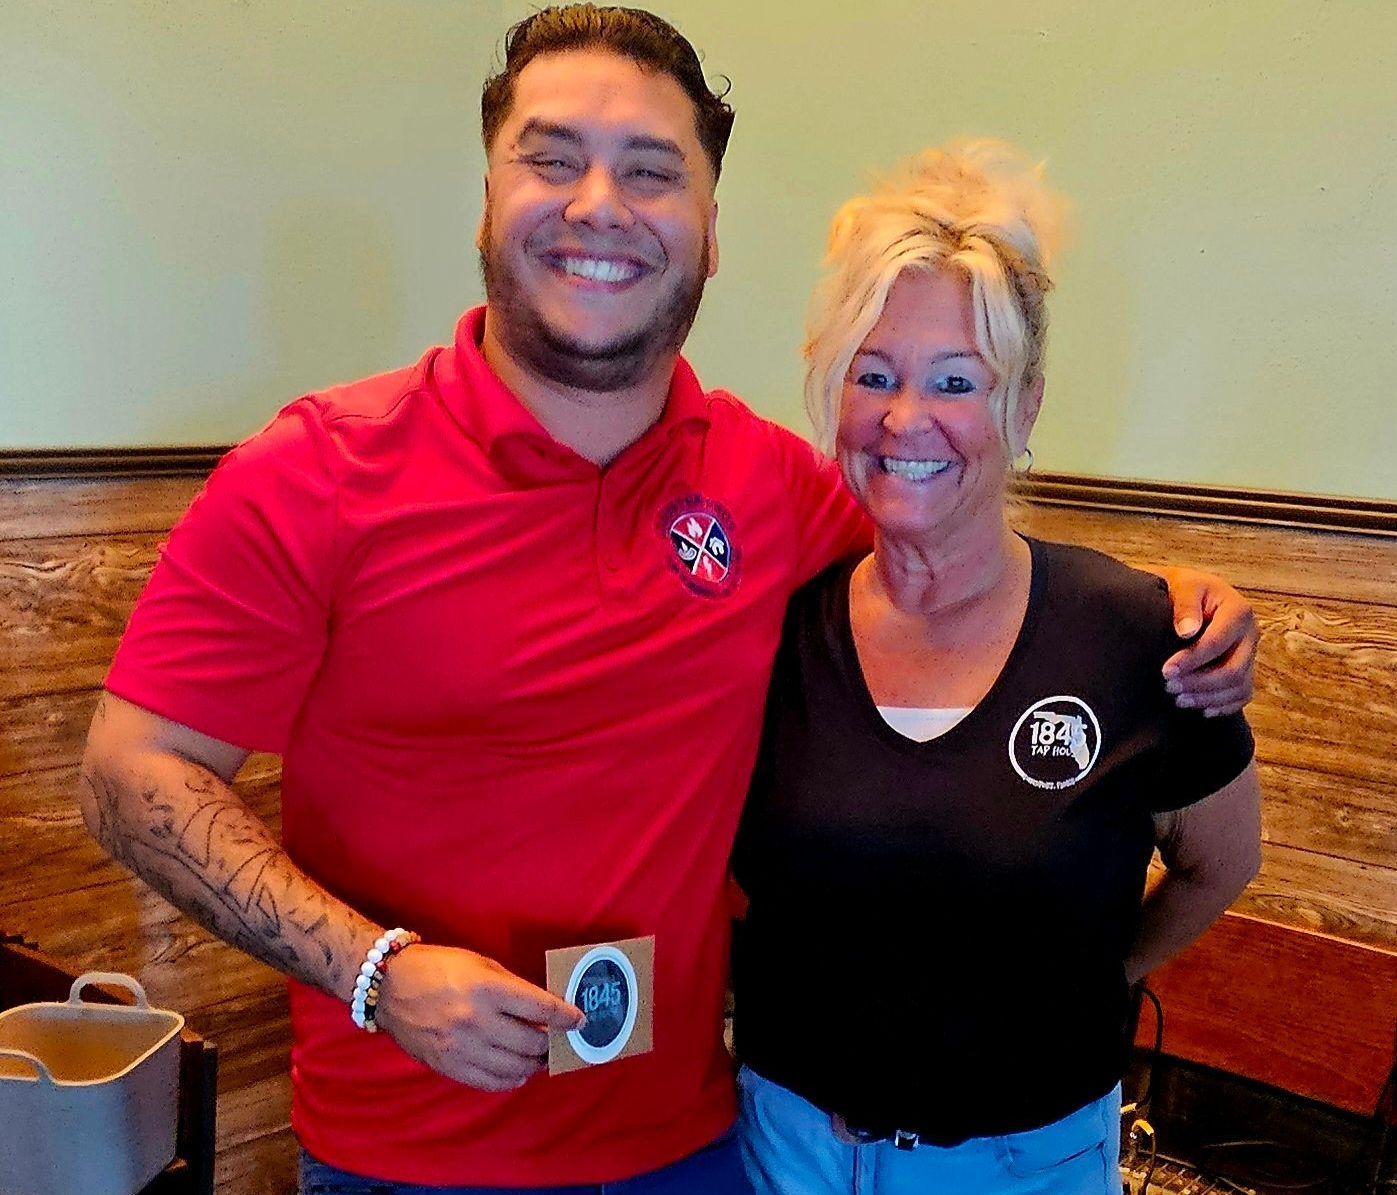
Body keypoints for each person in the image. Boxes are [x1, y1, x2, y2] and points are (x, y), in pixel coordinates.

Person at [79, 9, 1257, 1193]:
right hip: (406, 1160)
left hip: (696, 1146)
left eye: (652, 172)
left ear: (708, 231)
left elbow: (949, 547)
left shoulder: (771, 488)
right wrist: (372, 967)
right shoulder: (316, 470)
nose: (598, 202)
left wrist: (1166, 605)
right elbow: (131, 773)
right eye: (550, 158)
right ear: (487, 201)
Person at [731, 140, 1263, 1195]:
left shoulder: (1135, 634)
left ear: (1021, 409)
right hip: (783, 1148)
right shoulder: (776, 630)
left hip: (1028, 1161)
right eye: (871, 374)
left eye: (955, 380)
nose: (902, 417)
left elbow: (1218, 863)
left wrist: (1088, 981)